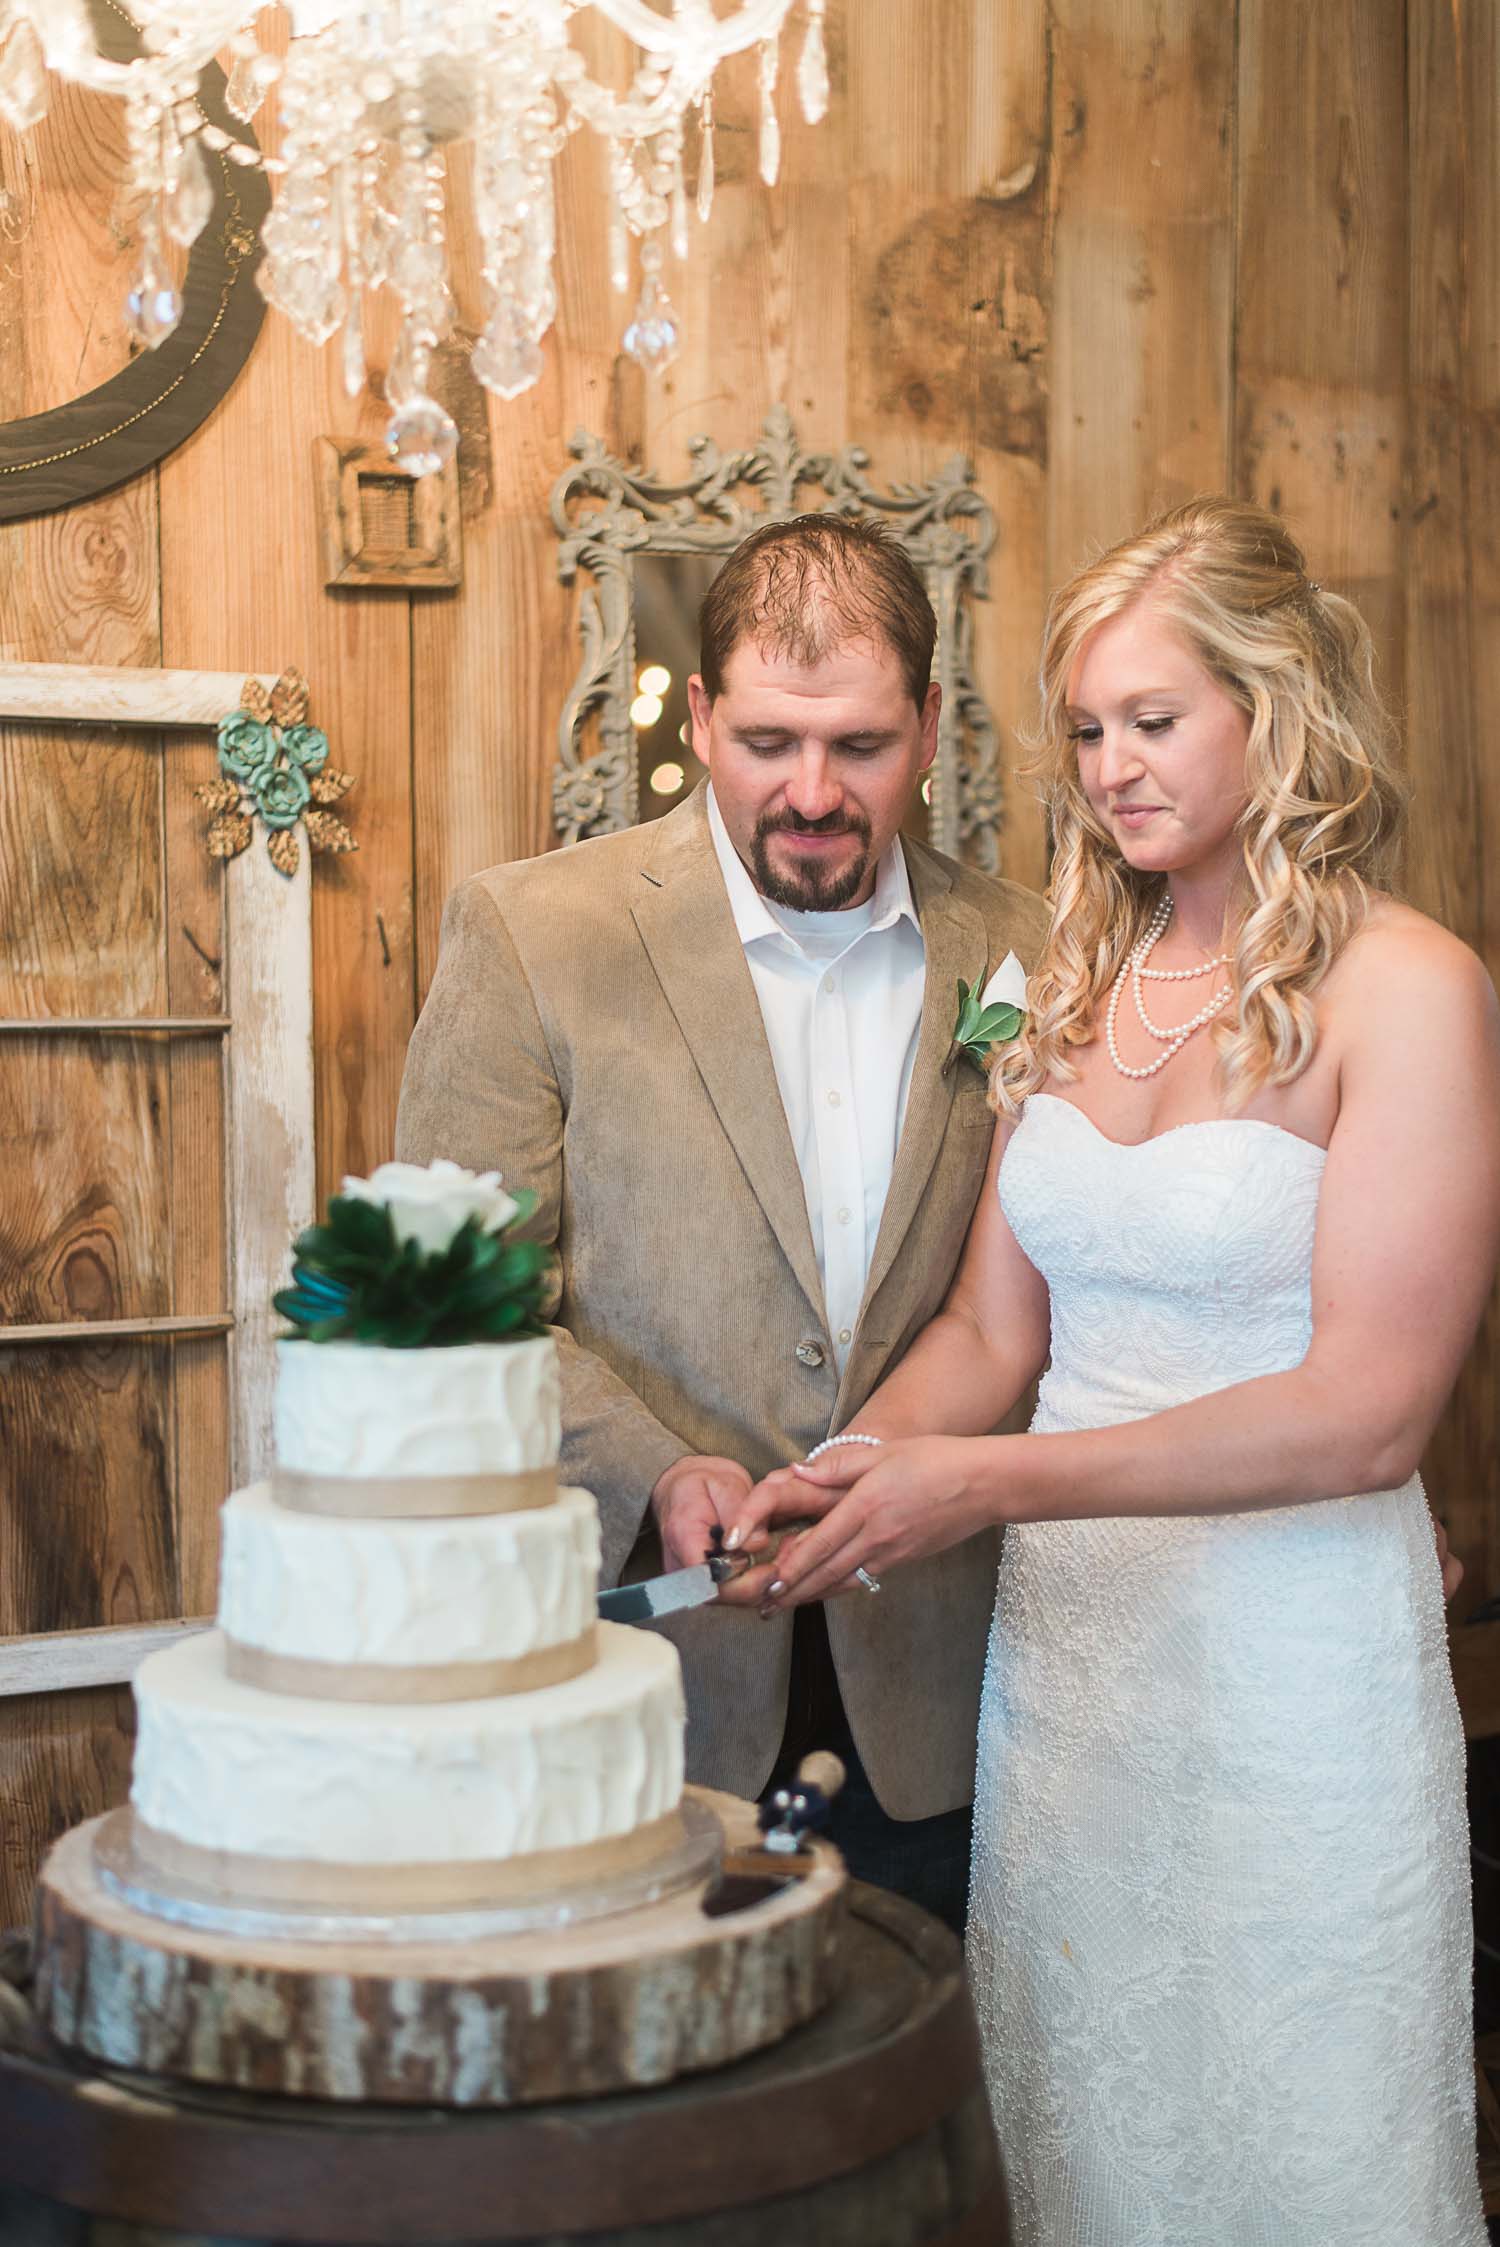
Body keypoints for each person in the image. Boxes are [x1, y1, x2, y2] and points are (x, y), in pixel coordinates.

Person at [731, 497, 1497, 2245]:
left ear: (1275, 712)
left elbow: (1369, 1412)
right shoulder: (1055, 987)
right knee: (1089, 2128)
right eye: (1086, 728)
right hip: (1077, 1675)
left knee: (1304, 2137)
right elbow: (997, 1338)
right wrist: (855, 1465)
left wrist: (986, 1484)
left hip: (1295, 1662)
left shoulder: (1410, 990)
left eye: (1156, 721)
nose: (1112, 768)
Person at [394, 513, 1048, 1932]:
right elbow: (453, 1304)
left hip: (950, 1701)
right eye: (765, 742)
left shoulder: (1031, 951)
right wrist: (657, 1464)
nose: (811, 793)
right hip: (645, 1712)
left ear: (931, 728)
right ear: (697, 716)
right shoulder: (532, 934)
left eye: (861, 747)